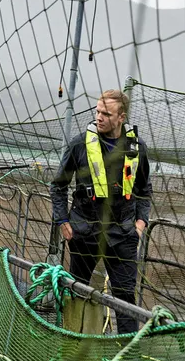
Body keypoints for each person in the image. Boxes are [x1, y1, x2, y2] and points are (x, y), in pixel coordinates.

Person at [50, 89, 152, 334]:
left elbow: (144, 189)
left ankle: (127, 356)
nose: (99, 117)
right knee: (79, 291)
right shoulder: (79, 144)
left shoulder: (136, 148)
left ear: (121, 117)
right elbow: (58, 186)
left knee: (126, 299)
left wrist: (141, 224)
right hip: (84, 230)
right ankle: (74, 342)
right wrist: (63, 221)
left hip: (123, 233)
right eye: (97, 111)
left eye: (106, 113)